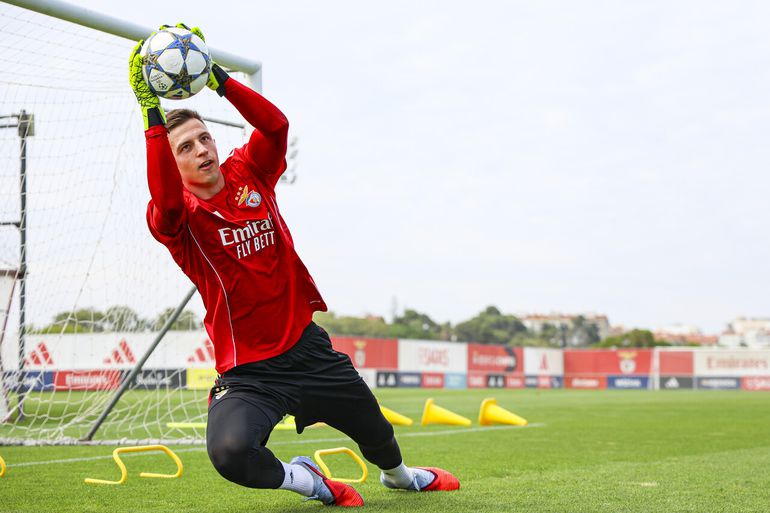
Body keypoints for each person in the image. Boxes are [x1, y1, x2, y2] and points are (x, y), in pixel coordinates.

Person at [129, 24, 459, 507]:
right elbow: (164, 197)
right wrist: (150, 113)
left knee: (378, 433)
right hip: (249, 372)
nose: (201, 150)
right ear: (171, 162)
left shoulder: (250, 172)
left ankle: (402, 478)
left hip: (307, 349)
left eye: (204, 138)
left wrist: (218, 78)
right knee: (230, 453)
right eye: (185, 147)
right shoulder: (177, 217)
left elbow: (276, 127)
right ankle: (308, 481)